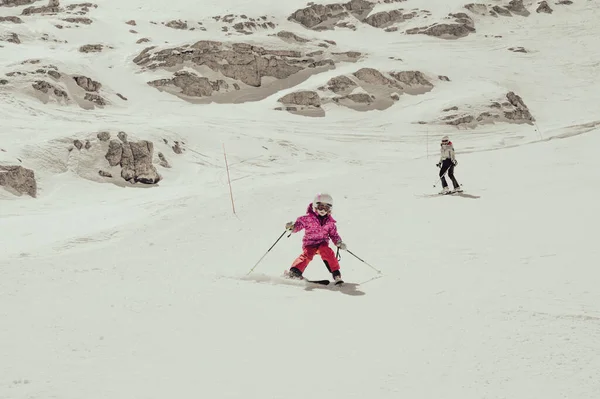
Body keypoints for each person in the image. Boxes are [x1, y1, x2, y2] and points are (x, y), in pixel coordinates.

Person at [285, 193, 347, 282]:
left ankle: (336, 275)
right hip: (309, 244)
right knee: (308, 254)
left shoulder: (330, 223)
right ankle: (295, 272)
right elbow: (298, 226)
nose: (323, 210)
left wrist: (339, 242)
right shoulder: (307, 218)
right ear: (315, 206)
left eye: (326, 208)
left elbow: (334, 234)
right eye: (321, 207)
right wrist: (292, 227)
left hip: (322, 243)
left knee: (327, 251)